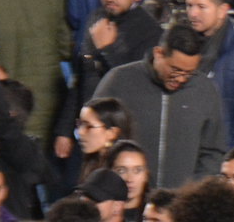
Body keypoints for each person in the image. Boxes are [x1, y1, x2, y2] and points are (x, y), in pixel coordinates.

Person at [93, 22, 226, 189]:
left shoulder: (205, 90)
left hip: (181, 205)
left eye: (189, 73)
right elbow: (93, 140)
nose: (181, 79)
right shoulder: (118, 82)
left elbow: (212, 151)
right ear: (159, 53)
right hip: (124, 203)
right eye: (176, 70)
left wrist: (193, 191)